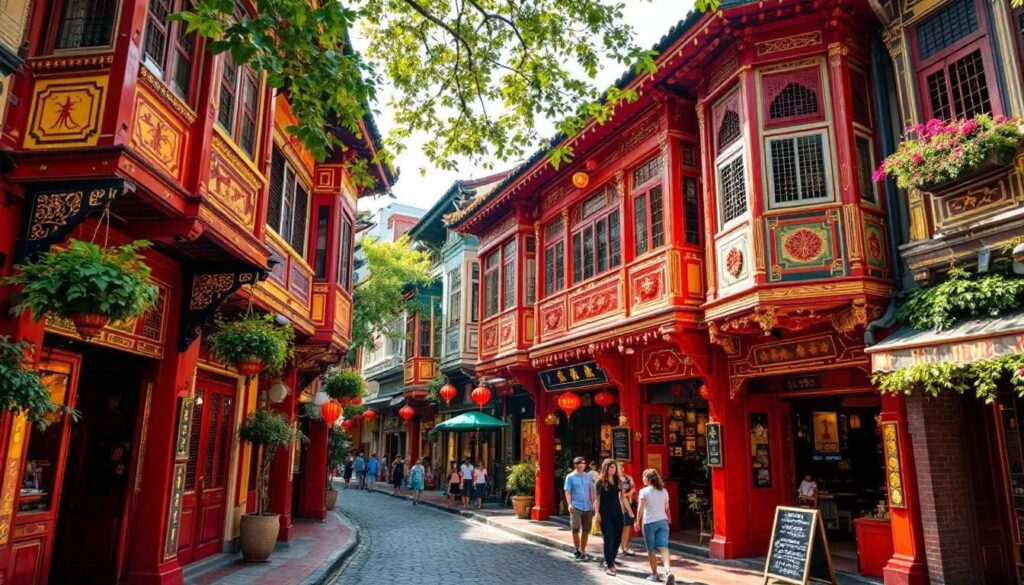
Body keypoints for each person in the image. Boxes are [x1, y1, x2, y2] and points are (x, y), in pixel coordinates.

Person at [635, 468, 675, 584]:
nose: (642, 479)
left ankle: (654, 575)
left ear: (647, 479)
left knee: (651, 549)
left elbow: (640, 509)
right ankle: (668, 571)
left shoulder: (644, 491)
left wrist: (637, 521)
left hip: (649, 522)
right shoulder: (664, 491)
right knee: (663, 547)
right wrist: (670, 518)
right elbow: (667, 507)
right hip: (663, 521)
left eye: (643, 477)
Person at [595, 459, 631, 576]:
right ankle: (609, 565)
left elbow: (623, 497)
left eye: (614, 468)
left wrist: (629, 512)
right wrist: (597, 513)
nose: (613, 470)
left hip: (617, 513)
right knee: (608, 539)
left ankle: (611, 560)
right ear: (606, 468)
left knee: (617, 539)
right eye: (611, 467)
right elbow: (597, 499)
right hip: (605, 513)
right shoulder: (600, 482)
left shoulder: (619, 481)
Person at [564, 455, 597, 562]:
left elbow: (592, 489)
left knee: (586, 530)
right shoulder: (570, 477)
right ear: (575, 465)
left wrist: (593, 502)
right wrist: (569, 504)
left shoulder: (588, 476)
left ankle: (583, 550)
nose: (582, 466)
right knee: (575, 528)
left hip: (587, 506)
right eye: (580, 464)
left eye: (583, 464)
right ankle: (577, 550)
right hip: (576, 506)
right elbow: (567, 491)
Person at [620, 464, 637, 556]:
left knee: (627, 526)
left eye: (621, 467)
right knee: (619, 527)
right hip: (618, 505)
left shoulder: (628, 478)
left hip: (628, 504)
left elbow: (633, 488)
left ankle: (625, 547)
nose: (621, 469)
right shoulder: (614, 479)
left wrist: (626, 495)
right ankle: (619, 547)